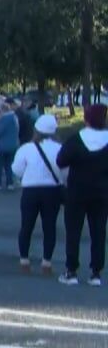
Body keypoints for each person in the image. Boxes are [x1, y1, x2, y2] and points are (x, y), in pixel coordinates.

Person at [56, 103, 108, 286]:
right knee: (99, 231)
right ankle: (96, 272)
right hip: (102, 192)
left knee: (73, 230)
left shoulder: (76, 139)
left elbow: (61, 160)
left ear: (86, 119)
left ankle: (71, 270)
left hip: (77, 190)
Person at [12, 115, 66, 275]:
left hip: (31, 190)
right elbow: (65, 171)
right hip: (52, 191)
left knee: (26, 225)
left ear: (36, 130)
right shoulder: (59, 148)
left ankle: (24, 261)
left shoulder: (27, 148)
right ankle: (46, 262)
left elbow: (16, 169)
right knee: (49, 227)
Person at [0, 100, 20, 191]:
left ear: (2, 110)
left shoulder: (4, 119)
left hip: (2, 146)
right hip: (13, 145)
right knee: (9, 165)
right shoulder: (14, 117)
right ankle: (10, 183)